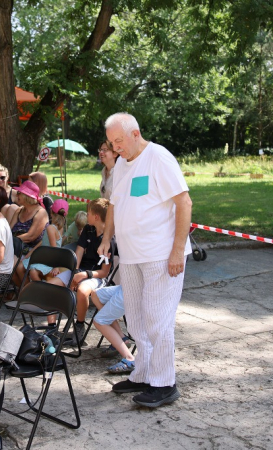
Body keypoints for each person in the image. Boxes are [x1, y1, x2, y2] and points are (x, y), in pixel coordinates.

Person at [98, 112, 192, 408]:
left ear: (135, 133)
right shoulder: (122, 165)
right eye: (112, 143)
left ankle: (164, 384)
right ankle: (142, 374)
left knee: (158, 319)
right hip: (131, 257)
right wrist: (105, 238)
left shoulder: (159, 158)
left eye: (119, 141)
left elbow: (184, 202)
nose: (115, 149)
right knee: (136, 319)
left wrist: (177, 251)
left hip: (160, 256)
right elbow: (114, 204)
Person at [48, 198, 111, 345]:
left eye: (88, 213)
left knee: (82, 291)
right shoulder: (88, 230)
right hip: (80, 270)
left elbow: (104, 273)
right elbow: (79, 251)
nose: (86, 215)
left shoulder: (109, 237)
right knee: (51, 286)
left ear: (95, 216)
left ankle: (79, 324)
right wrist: (75, 272)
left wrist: (83, 275)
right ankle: (51, 329)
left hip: (97, 275)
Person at [8, 180, 49, 286]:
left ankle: (28, 294)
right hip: (18, 248)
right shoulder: (19, 211)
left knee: (16, 265)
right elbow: (8, 230)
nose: (17, 195)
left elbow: (31, 236)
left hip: (36, 250)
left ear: (27, 196)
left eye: (19, 193)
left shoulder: (40, 212)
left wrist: (10, 240)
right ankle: (21, 292)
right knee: (8, 264)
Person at [21, 199, 69, 283]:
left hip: (48, 260)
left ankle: (39, 292)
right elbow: (43, 242)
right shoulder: (60, 228)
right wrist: (29, 254)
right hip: (45, 258)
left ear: (51, 212)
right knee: (22, 267)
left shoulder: (51, 228)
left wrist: (56, 266)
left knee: (31, 272)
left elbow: (55, 250)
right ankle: (28, 290)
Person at [91, 285, 135, 374]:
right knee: (95, 294)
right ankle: (121, 338)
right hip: (125, 286)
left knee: (99, 321)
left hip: (134, 291)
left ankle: (129, 359)